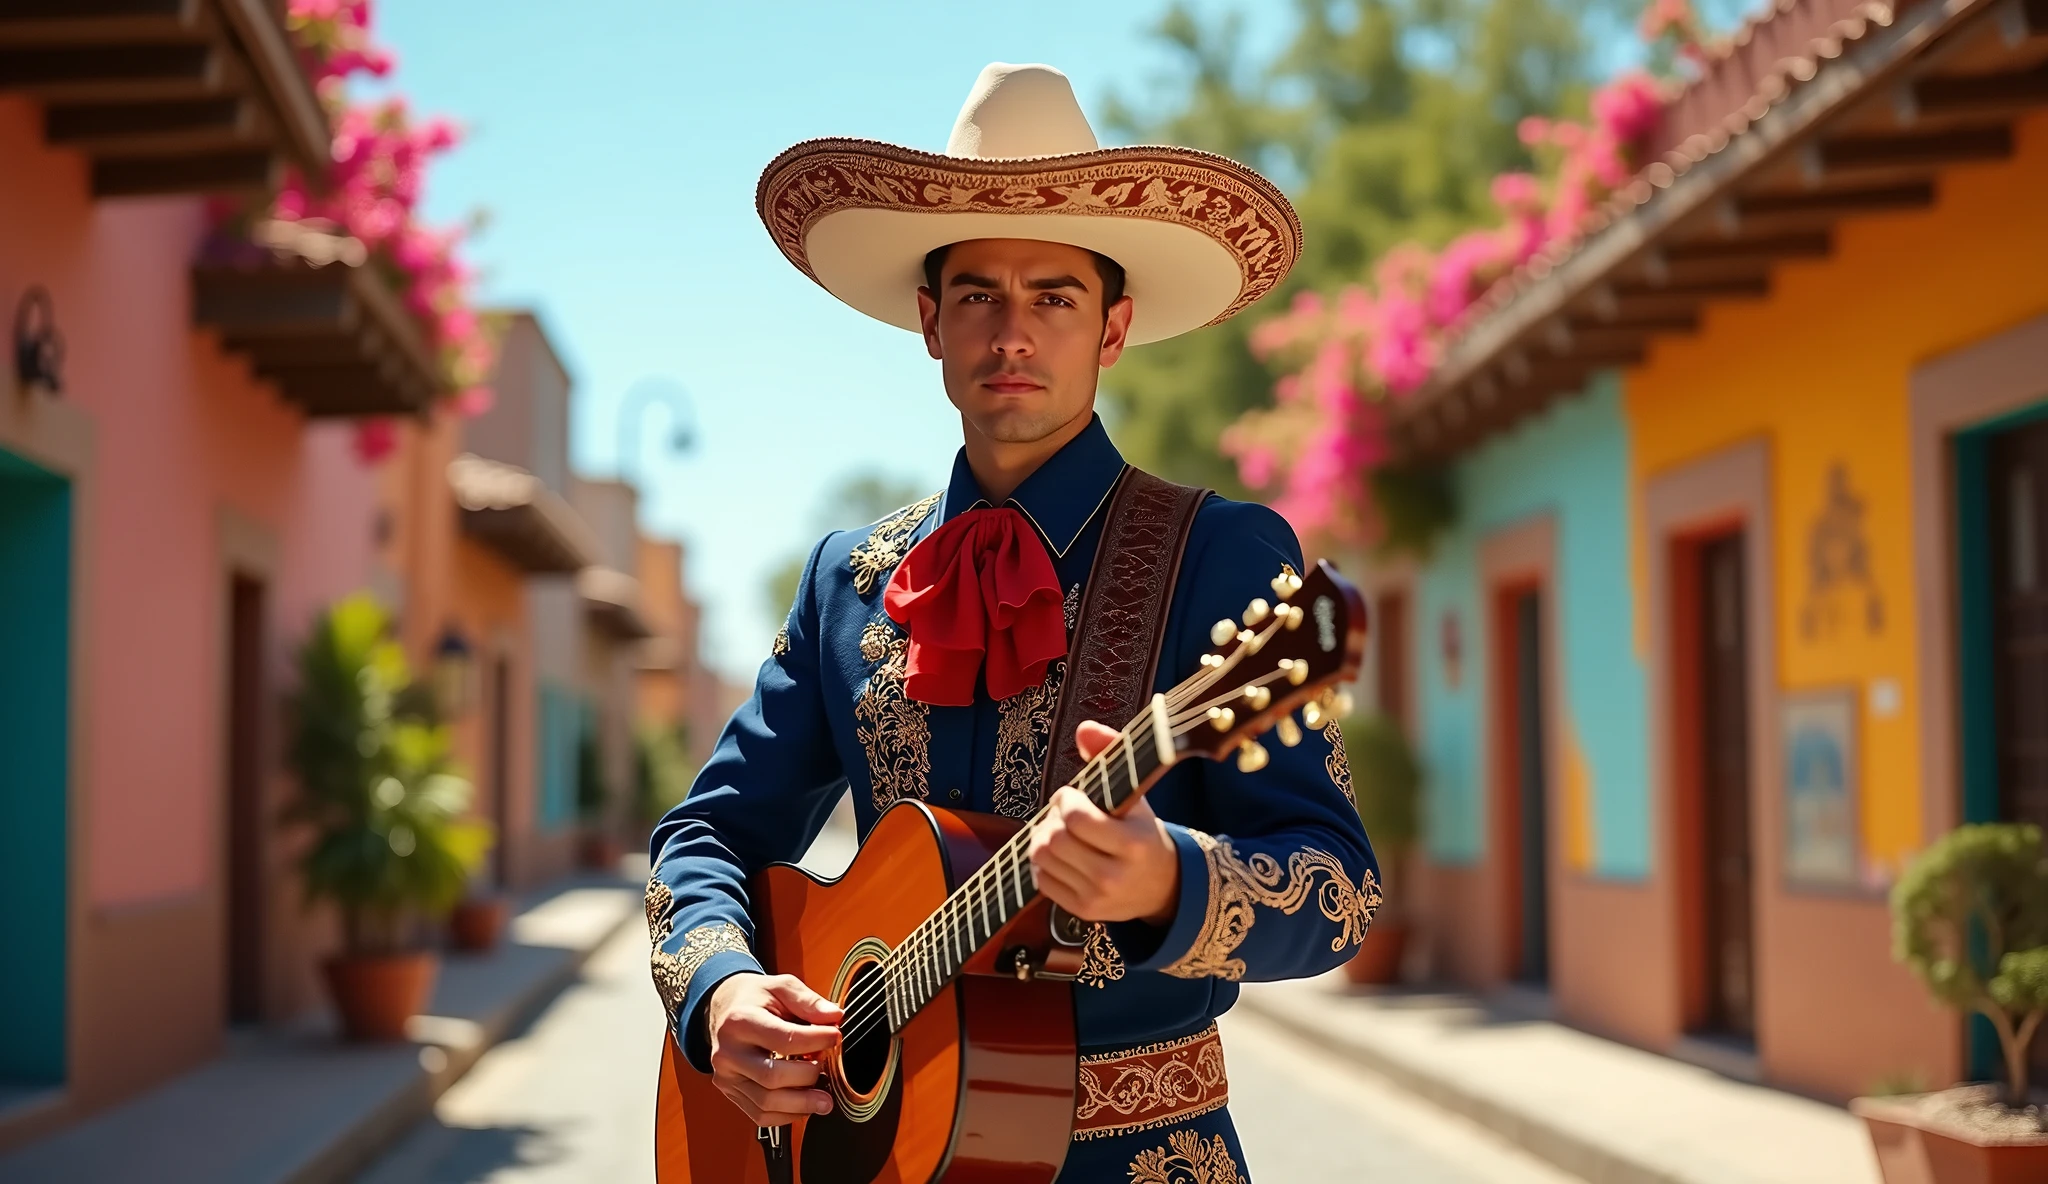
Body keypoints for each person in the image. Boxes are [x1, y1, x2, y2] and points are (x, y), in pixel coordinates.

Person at [647, 62, 1380, 1181]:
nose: (1012, 333)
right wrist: (722, 990)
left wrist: (1167, 880)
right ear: (928, 321)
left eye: (1054, 296)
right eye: (979, 294)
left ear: (1114, 326)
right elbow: (704, 839)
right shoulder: (848, 579)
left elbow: (1336, 887)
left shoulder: (1223, 555)